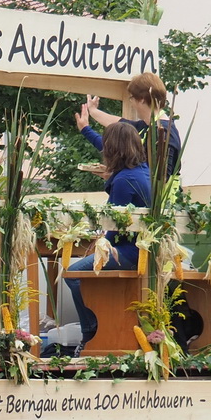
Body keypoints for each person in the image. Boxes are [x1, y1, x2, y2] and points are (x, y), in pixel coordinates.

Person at [64, 123, 151, 350]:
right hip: (143, 249)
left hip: (130, 252)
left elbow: (112, 226)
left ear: (112, 150)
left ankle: (91, 332)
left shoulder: (123, 181)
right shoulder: (143, 171)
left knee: (73, 274)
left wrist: (97, 247)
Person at [75, 72, 181, 177]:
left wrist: (120, 176)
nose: (132, 103)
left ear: (142, 99)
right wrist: (92, 112)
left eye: (132, 98)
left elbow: (161, 179)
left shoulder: (162, 132)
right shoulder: (147, 126)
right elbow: (119, 128)